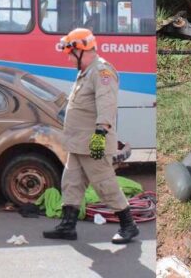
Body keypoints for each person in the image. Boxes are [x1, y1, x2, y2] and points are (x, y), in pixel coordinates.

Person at [43, 28, 139, 244]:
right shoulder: (85, 71)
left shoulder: (102, 72)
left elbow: (106, 105)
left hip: (93, 143)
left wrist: (99, 135)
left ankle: (128, 226)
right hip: (78, 144)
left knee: (105, 184)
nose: (68, 58)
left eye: (70, 53)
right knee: (71, 183)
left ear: (80, 50)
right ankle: (68, 226)